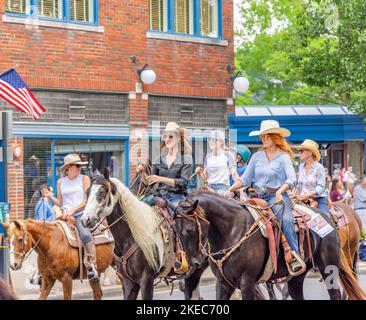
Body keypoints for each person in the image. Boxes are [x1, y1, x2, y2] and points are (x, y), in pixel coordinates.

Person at [225, 120, 304, 273]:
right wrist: (230, 189)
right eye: (262, 136)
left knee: (286, 221)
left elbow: (291, 179)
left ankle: (295, 256)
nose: (263, 139)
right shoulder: (256, 157)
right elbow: (245, 179)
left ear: (275, 137)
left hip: (277, 197)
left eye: (266, 136)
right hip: (257, 197)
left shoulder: (284, 157)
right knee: (240, 219)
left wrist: (281, 192)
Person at [43, 153, 99, 281]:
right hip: (63, 214)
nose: (80, 167)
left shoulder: (84, 179)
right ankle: (44, 268)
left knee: (85, 234)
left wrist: (72, 211)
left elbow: (86, 201)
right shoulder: (60, 182)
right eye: (77, 165)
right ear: (68, 167)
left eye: (80, 165)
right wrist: (51, 197)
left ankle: (92, 265)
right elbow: (61, 202)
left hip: (80, 213)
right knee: (47, 235)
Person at [136, 122, 193, 216]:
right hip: (158, 196)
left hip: (176, 197)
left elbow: (183, 182)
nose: (167, 139)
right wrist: (142, 173)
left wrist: (161, 179)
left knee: (179, 218)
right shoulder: (159, 158)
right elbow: (150, 182)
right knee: (136, 208)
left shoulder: (186, 158)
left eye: (171, 137)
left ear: (178, 138)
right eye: (165, 137)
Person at [195, 130, 241, 197]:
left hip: (223, 188)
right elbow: (205, 177)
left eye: (214, 140)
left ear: (221, 142)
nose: (211, 142)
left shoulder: (228, 155)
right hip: (209, 187)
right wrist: (199, 172)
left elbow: (234, 174)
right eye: (209, 139)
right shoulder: (208, 156)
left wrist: (240, 189)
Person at [295, 139, 330, 214]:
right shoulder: (301, 167)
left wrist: (307, 194)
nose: (300, 152)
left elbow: (321, 187)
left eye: (302, 151)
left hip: (318, 200)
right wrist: (293, 193)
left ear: (310, 153)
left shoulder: (319, 167)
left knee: (326, 218)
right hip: (302, 200)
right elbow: (299, 185)